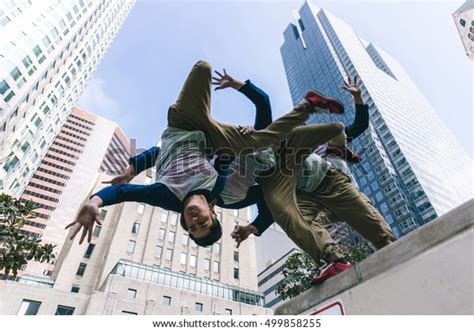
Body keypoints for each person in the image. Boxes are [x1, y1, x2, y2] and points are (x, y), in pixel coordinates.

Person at [65, 61, 346, 245]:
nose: (195, 220)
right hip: (214, 141)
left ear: (185, 223)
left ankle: (310, 127)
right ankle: (310, 111)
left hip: (182, 124)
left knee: (202, 68)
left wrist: (97, 200)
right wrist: (254, 227)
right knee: (260, 143)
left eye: (192, 226)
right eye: (203, 223)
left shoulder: (165, 196)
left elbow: (136, 180)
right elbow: (255, 185)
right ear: (213, 212)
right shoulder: (219, 187)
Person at [214, 74, 396, 284]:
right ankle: (334, 260)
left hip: (332, 185)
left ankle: (391, 245)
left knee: (375, 229)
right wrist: (248, 228)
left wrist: (357, 97)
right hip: (309, 201)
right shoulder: (261, 181)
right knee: (295, 215)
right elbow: (272, 212)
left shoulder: (277, 139)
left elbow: (263, 103)